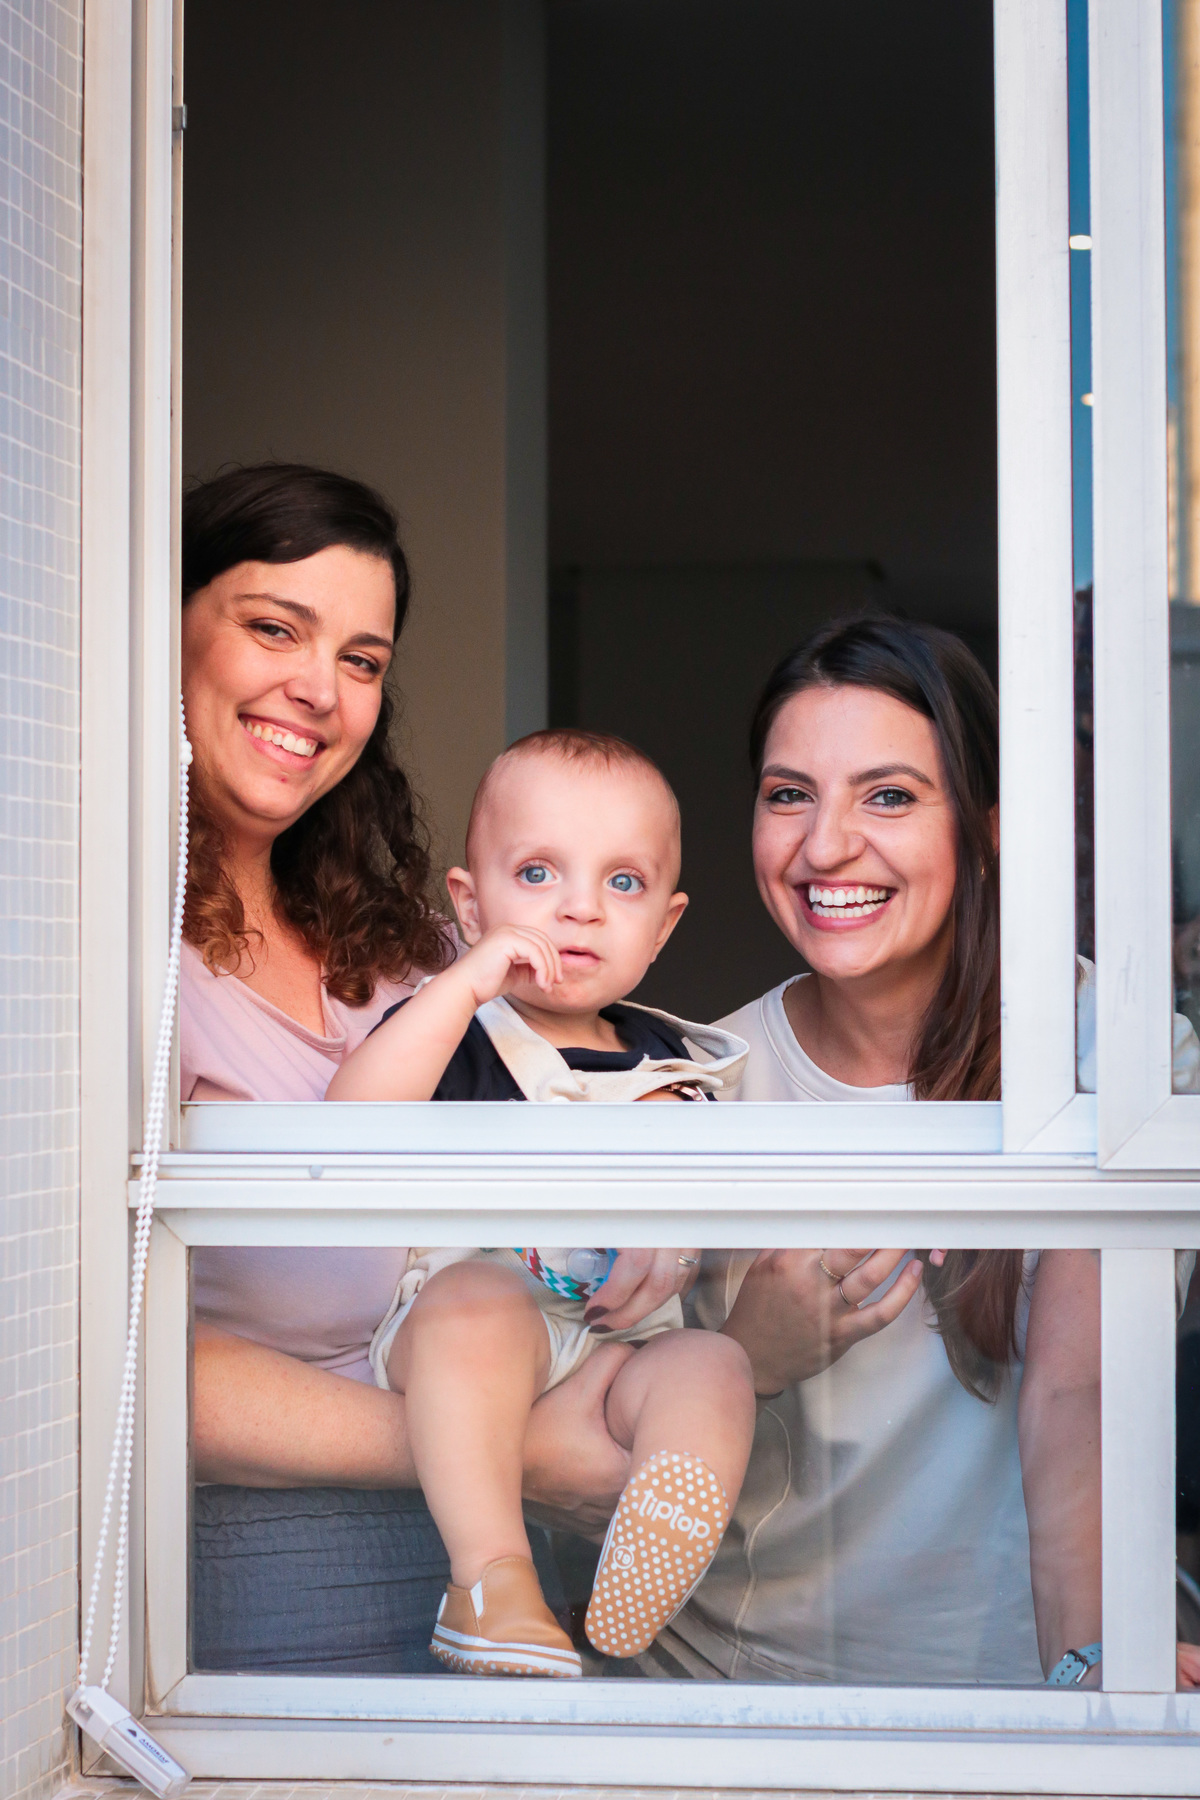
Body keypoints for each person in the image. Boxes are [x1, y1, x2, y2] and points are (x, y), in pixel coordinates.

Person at [647, 614, 1200, 1690]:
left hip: (1027, 1676)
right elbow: (595, 1444)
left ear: (986, 829)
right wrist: (747, 1354)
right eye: (789, 794)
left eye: (889, 796)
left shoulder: (1115, 1056)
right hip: (738, 1685)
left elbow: (1079, 1395)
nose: (825, 847)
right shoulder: (697, 1082)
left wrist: (1085, 1673)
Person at [180, 464, 637, 1672]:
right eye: (274, 627)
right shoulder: (106, 967)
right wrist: (512, 1450)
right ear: (159, 630)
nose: (318, 689)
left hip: (539, 1605)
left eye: (363, 659)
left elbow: (590, 1104)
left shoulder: (418, 948)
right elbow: (112, 1358)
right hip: (280, 1616)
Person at [328, 730, 754, 1675]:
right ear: (470, 903)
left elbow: (714, 1201)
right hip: (476, 1333)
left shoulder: (673, 1061)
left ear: (664, 928)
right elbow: (348, 1124)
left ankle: (652, 1545)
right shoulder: (457, 1031)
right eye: (536, 873)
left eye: (623, 883)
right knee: (477, 1302)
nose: (580, 908)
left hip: (616, 1346)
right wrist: (464, 982)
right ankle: (492, 1582)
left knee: (713, 1365)